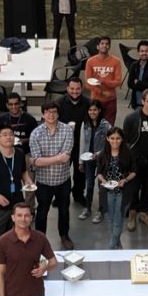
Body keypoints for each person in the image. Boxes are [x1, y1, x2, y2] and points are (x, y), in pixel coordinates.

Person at [29, 101, 75, 251]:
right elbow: (36, 162)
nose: (51, 115)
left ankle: (64, 235)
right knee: (42, 212)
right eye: (48, 112)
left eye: (54, 111)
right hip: (43, 181)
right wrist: (56, 159)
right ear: (42, 114)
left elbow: (66, 157)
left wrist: (43, 160)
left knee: (64, 210)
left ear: (58, 113)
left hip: (63, 180)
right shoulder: (36, 133)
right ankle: (40, 239)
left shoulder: (67, 130)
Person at [122, 88, 148, 231]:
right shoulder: (131, 118)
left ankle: (143, 212)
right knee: (133, 187)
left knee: (147, 187)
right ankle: (132, 213)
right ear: (142, 101)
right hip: (134, 160)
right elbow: (126, 140)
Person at [96, 127, 136, 249]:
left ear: (122, 139)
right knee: (111, 220)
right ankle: (117, 242)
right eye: (112, 138)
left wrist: (125, 180)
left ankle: (111, 246)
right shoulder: (102, 154)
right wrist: (103, 181)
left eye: (118, 138)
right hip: (107, 192)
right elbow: (99, 173)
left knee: (118, 220)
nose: (115, 141)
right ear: (107, 139)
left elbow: (134, 172)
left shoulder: (128, 153)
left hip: (123, 192)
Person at [58, 77, 91, 207]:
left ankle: (78, 194)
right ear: (67, 88)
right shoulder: (59, 103)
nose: (75, 91)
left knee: (80, 172)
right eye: (72, 88)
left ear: (81, 89)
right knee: (62, 171)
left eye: (77, 89)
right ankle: (61, 196)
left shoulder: (88, 103)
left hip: (82, 145)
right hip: (64, 145)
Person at [78, 100, 111, 223]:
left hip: (102, 160)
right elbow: (82, 142)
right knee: (90, 184)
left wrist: (100, 153)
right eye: (90, 110)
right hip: (88, 159)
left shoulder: (106, 125)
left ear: (99, 111)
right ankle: (87, 208)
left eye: (95, 110)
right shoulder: (85, 124)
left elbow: (110, 143)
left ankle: (101, 211)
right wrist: (81, 161)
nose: (92, 112)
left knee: (101, 186)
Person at [84, 36, 123, 124]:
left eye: (107, 44)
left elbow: (118, 81)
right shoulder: (90, 61)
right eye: (102, 43)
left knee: (109, 126)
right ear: (98, 46)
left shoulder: (116, 61)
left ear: (109, 47)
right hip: (95, 100)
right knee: (95, 125)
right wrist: (101, 92)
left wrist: (103, 81)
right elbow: (88, 83)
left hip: (111, 100)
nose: (104, 46)